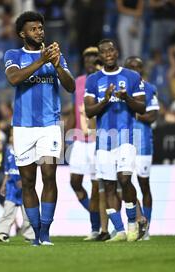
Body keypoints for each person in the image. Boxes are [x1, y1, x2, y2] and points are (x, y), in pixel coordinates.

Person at [4, 11, 75, 246]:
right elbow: (14, 79)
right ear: (22, 33)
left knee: (49, 175)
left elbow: (71, 86)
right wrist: (41, 61)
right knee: (27, 182)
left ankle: (45, 232)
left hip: (50, 125)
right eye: (33, 29)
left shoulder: (56, 56)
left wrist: (57, 65)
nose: (39, 32)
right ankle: (34, 232)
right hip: (23, 127)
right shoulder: (13, 55)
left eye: (41, 28)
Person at [84, 39, 147, 242]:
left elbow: (142, 108)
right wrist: (105, 99)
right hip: (103, 140)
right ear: (100, 57)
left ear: (116, 52)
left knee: (124, 179)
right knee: (109, 186)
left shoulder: (132, 76)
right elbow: (89, 111)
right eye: (104, 52)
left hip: (127, 136)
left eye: (111, 50)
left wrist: (126, 97)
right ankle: (119, 231)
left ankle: (132, 224)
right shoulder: (93, 80)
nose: (108, 54)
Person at [124, 56, 160, 240]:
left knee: (144, 185)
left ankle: (146, 229)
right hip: (124, 142)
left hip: (144, 143)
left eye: (138, 67)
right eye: (131, 67)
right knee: (124, 183)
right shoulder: (120, 87)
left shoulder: (149, 88)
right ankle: (137, 221)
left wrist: (133, 116)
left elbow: (153, 115)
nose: (135, 70)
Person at [67, 47, 101, 241]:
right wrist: (65, 137)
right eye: (86, 57)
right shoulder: (79, 81)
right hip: (80, 139)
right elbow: (74, 110)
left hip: (97, 140)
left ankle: (96, 227)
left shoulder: (103, 80)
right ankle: (96, 213)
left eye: (93, 57)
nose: (89, 60)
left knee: (97, 186)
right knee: (75, 182)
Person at [0, 129, 34, 242]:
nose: (11, 137)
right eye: (11, 135)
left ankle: (30, 235)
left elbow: (31, 169)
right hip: (11, 185)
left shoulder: (28, 151)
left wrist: (24, 179)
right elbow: (7, 169)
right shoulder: (8, 151)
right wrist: (4, 183)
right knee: (8, 210)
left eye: (14, 135)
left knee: (28, 212)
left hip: (24, 186)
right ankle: (2, 233)